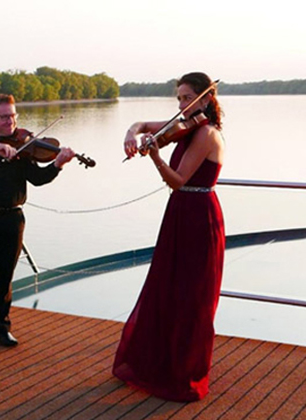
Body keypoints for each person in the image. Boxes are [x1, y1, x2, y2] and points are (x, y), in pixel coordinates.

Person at [113, 72, 225, 401]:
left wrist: (157, 157)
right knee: (167, 288)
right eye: (178, 97)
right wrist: (130, 134)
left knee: (193, 297)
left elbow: (177, 180)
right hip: (179, 213)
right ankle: (159, 365)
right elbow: (141, 124)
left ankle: (183, 373)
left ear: (206, 99)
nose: (181, 104)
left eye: (188, 97)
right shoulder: (185, 125)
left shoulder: (205, 133)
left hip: (199, 215)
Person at [0, 94, 76, 354]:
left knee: (4, 277)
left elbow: (38, 178)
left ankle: (1, 329)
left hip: (12, 219)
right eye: (5, 116)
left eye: (14, 116)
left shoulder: (23, 146)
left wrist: (58, 164)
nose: (11, 121)